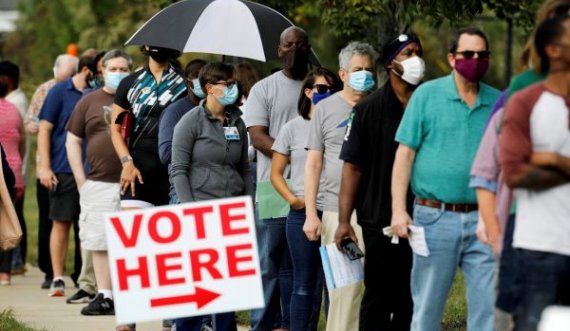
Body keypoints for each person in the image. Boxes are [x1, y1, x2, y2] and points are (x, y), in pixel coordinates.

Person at [391, 27, 500, 331]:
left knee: (487, 311)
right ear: (452, 58)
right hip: (433, 218)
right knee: (427, 308)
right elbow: (404, 156)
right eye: (467, 54)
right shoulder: (427, 95)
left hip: (484, 219)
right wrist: (399, 210)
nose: (475, 60)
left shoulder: (498, 102)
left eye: (482, 54)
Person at [334, 33, 424, 331]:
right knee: (378, 296)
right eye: (407, 53)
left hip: (423, 218)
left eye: (417, 52)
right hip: (379, 220)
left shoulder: (428, 105)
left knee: (412, 299)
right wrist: (344, 221)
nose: (415, 60)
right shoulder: (367, 111)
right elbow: (352, 169)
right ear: (390, 63)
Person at [500, 14, 570, 331]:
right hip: (542, 250)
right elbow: (515, 173)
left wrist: (551, 159)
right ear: (553, 50)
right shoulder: (526, 102)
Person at [170, 61, 252, 331]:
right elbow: (178, 170)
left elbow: (243, 168)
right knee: (199, 287)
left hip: (232, 212)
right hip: (201, 210)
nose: (233, 88)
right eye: (227, 84)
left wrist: (248, 205)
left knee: (227, 289)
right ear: (209, 88)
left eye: (234, 83)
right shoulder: (190, 122)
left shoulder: (236, 121)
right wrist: (190, 210)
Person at [110, 45, 186, 331]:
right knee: (132, 245)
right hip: (136, 171)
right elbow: (115, 129)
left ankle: (172, 315)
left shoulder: (183, 83)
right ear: (144, 47)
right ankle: (128, 319)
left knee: (172, 248)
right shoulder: (130, 82)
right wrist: (126, 162)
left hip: (172, 172)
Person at [305, 41, 377, 331]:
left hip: (376, 213)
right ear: (343, 74)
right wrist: (312, 213)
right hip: (337, 214)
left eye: (369, 70)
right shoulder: (325, 109)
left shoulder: (381, 106)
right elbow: (313, 164)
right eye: (358, 70)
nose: (364, 75)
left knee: (375, 292)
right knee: (344, 291)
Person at [245, 26, 312, 331]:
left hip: (313, 186)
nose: (294, 50)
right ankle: (266, 323)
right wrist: (297, 155)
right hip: (272, 185)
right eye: (289, 45)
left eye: (300, 45)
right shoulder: (264, 89)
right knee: (272, 262)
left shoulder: (320, 85)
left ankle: (291, 323)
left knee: (304, 264)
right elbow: (258, 137)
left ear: (308, 49)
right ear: (279, 50)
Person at [271, 67, 342, 331]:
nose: (327, 94)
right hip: (303, 214)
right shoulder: (292, 128)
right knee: (303, 283)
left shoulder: (343, 124)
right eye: (321, 89)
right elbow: (276, 173)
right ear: (309, 92)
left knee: (334, 284)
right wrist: (294, 200)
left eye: (332, 89)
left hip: (335, 212)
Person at [65, 49, 133, 315]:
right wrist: (81, 180)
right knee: (99, 241)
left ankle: (129, 293)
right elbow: (72, 140)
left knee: (129, 241)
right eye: (113, 69)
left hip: (132, 183)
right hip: (98, 182)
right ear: (102, 70)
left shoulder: (136, 100)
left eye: (123, 69)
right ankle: (105, 294)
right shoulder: (88, 101)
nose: (118, 73)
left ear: (131, 70)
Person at [37, 55, 94, 297]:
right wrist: (45, 166)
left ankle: (86, 280)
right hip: (63, 168)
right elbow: (44, 129)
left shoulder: (98, 93)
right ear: (86, 70)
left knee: (89, 228)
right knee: (61, 223)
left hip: (93, 171)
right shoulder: (59, 91)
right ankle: (57, 278)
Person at [24, 54, 78, 289]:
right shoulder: (45, 90)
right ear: (54, 70)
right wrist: (39, 124)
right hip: (47, 166)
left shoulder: (80, 91)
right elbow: (30, 122)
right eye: (62, 75)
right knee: (50, 220)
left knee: (78, 223)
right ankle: (49, 271)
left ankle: (78, 272)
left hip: (72, 167)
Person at [158, 58, 207, 203]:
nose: (203, 81)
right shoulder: (175, 112)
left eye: (206, 76)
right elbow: (166, 154)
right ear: (188, 82)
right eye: (198, 76)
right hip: (185, 193)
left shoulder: (221, 112)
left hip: (215, 193)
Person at [0, 61, 28, 276]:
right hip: (13, 170)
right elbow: (23, 142)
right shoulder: (14, 110)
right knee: (11, 216)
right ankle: (7, 272)